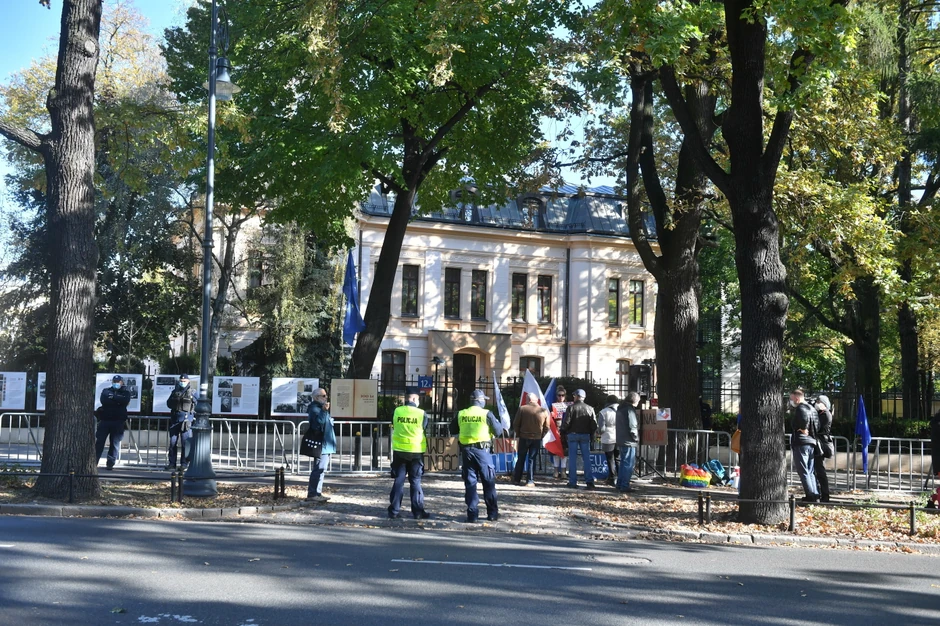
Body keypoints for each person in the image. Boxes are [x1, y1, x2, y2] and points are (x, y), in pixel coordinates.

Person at [450, 389, 504, 522]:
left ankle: (472, 515)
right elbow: (498, 431)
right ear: (480, 401)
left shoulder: (461, 413)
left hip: (467, 452)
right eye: (484, 399)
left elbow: (452, 429)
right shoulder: (486, 414)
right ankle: (492, 513)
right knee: (488, 482)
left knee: (470, 483)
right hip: (482, 452)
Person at [388, 392, 431, 519]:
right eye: (418, 399)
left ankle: (394, 511)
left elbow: (393, 424)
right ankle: (417, 512)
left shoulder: (397, 411)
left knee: (399, 480)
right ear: (413, 399)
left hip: (400, 451)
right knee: (415, 481)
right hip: (416, 452)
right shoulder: (421, 413)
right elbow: (424, 427)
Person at [561, 389, 598, 489]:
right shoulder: (590, 408)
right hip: (585, 435)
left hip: (572, 434)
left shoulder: (571, 408)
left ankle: (573, 482)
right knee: (586, 459)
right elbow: (594, 424)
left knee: (572, 459)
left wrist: (563, 431)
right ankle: (589, 482)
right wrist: (592, 435)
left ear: (577, 396)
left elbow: (566, 422)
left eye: (574, 396)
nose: (573, 397)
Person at [511, 392, 550, 487]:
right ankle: (530, 481)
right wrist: (541, 435)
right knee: (532, 459)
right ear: (536, 400)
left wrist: (519, 433)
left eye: (526, 399)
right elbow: (547, 426)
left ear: (529, 400)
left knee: (521, 458)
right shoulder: (544, 411)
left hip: (524, 436)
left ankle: (517, 479)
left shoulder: (522, 409)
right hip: (536, 438)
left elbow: (516, 424)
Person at [306, 388, 336, 503]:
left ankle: (317, 493)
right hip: (321, 444)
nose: (326, 397)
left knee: (322, 469)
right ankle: (312, 493)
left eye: (326, 395)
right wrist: (324, 411)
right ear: (316, 397)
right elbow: (319, 424)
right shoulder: (315, 409)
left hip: (326, 444)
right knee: (318, 469)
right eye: (323, 396)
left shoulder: (320, 408)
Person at [789, 388, 820, 502]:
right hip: (810, 441)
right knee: (810, 471)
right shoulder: (812, 408)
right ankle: (815, 494)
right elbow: (817, 424)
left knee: (803, 470)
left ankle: (810, 495)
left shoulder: (801, 408)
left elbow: (803, 420)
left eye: (792, 398)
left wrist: (803, 428)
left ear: (797, 398)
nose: (791, 401)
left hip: (801, 442)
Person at [95, 375, 132, 470]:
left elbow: (125, 400)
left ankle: (110, 463)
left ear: (121, 382)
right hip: (105, 420)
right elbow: (104, 401)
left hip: (118, 421)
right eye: (115, 381)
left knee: (114, 444)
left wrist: (113, 397)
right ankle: (94, 462)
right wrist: (117, 400)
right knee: (99, 442)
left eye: (118, 381)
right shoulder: (106, 391)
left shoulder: (126, 392)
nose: (116, 383)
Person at [165, 374, 195, 470]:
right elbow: (168, 404)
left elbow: (198, 405)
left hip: (186, 421)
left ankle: (184, 464)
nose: (182, 382)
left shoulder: (192, 392)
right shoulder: (175, 391)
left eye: (184, 381)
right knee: (172, 443)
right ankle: (172, 463)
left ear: (188, 381)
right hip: (175, 420)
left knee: (185, 444)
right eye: (181, 381)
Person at [615, 392, 640, 493]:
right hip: (629, 441)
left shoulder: (620, 408)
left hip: (621, 439)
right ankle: (624, 485)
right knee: (628, 464)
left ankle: (620, 484)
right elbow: (632, 426)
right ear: (635, 400)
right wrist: (636, 438)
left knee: (623, 463)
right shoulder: (630, 410)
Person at [814, 394, 834, 502]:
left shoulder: (825, 414)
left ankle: (825, 495)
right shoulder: (821, 413)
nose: (817, 404)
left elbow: (817, 427)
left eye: (819, 402)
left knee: (820, 471)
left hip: (821, 444)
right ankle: (819, 493)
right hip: (819, 443)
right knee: (818, 470)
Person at [597, 394, 620, 486]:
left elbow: (601, 429)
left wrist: (599, 433)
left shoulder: (603, 412)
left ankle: (612, 478)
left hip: (608, 437)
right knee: (618, 458)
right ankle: (620, 478)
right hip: (619, 436)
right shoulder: (621, 410)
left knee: (610, 459)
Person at [550, 386, 571, 480]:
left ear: (565, 396)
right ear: (556, 396)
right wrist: (551, 414)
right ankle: (555, 470)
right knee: (556, 452)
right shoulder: (553, 406)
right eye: (559, 395)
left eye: (563, 395)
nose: (561, 397)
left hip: (565, 431)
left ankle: (563, 471)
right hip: (556, 430)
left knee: (564, 452)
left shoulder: (568, 406)